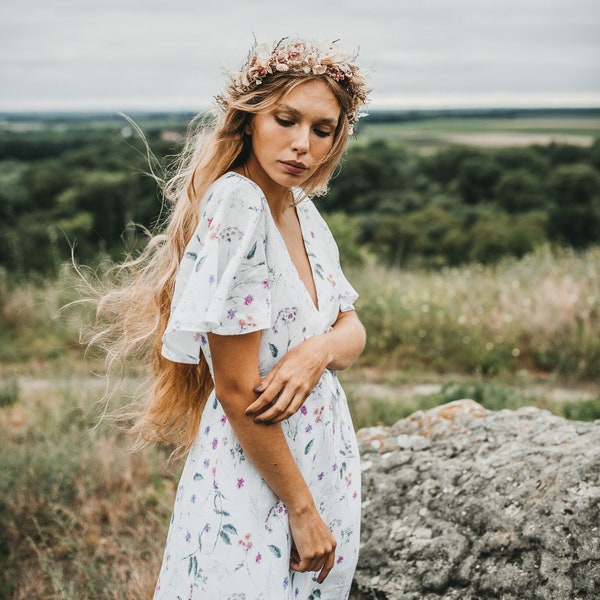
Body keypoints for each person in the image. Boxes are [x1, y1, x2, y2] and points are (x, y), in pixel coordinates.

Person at [95, 37, 370, 599]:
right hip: (265, 482)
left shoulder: (301, 209)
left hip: (320, 464)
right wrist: (300, 508)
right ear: (249, 120)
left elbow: (352, 329)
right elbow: (238, 388)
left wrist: (316, 351)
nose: (302, 144)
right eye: (286, 119)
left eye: (322, 129)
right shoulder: (239, 206)